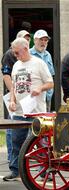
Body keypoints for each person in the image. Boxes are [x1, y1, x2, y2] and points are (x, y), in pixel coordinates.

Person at [3, 37, 53, 181]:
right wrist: (12, 101)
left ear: (25, 49)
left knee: (40, 142)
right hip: (19, 111)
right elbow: (13, 86)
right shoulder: (17, 65)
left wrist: (40, 88)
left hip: (36, 111)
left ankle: (44, 170)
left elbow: (50, 83)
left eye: (17, 53)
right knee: (16, 141)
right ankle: (16, 170)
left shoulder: (39, 64)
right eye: (14, 53)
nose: (16, 56)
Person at [1, 30, 31, 164]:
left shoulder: (32, 57)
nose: (26, 41)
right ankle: (12, 160)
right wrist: (12, 93)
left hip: (28, 99)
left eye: (28, 39)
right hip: (13, 94)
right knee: (12, 128)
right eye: (24, 39)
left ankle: (24, 160)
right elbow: (6, 75)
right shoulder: (9, 55)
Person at [30, 29, 55, 111]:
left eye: (45, 40)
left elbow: (51, 75)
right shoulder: (29, 54)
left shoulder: (48, 55)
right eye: (41, 40)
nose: (43, 42)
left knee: (46, 121)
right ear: (35, 40)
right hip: (34, 95)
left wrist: (50, 92)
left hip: (47, 94)